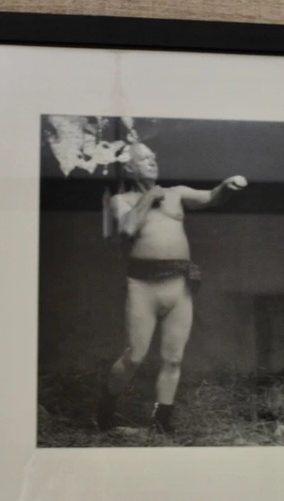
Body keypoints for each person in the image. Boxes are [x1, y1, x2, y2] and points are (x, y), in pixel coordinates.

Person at [96, 142, 247, 434]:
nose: (153, 161)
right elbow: (127, 229)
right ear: (130, 167)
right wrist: (149, 197)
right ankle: (106, 407)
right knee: (135, 356)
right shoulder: (120, 200)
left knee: (174, 358)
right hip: (143, 286)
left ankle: (161, 422)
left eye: (154, 156)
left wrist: (227, 187)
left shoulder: (176, 194)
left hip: (179, 285)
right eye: (144, 158)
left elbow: (211, 198)